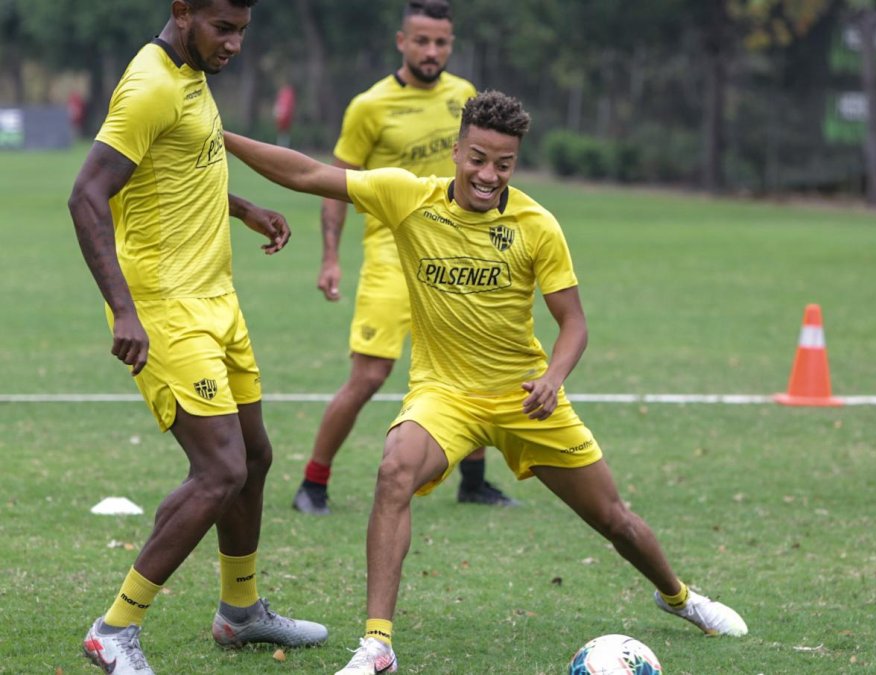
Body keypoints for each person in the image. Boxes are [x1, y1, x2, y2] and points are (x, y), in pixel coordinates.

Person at [223, 90, 748, 673]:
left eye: (504, 164)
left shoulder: (536, 224)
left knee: (614, 519)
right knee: (394, 468)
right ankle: (377, 645)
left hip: (525, 397)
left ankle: (679, 597)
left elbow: (573, 322)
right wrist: (219, 136)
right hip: (443, 395)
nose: (488, 174)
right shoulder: (407, 196)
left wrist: (553, 375)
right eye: (478, 158)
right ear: (456, 151)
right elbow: (307, 171)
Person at [67, 1, 327, 672]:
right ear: (182, 11)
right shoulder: (151, 84)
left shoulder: (192, 72)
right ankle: (114, 628)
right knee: (220, 468)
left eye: (243, 29)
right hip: (164, 308)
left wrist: (241, 207)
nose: (235, 44)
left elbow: (181, 167)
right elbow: (87, 195)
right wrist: (123, 310)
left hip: (217, 299)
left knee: (256, 456)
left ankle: (239, 611)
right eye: (224, 28)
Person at [292, 0, 514, 516]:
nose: (431, 51)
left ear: (450, 44)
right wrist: (330, 256)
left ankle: (475, 482)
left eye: (440, 42)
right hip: (391, 256)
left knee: (474, 362)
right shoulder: (369, 107)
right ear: (402, 42)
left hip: (456, 257)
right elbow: (336, 184)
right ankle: (313, 482)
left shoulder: (466, 97)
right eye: (421, 41)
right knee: (369, 375)